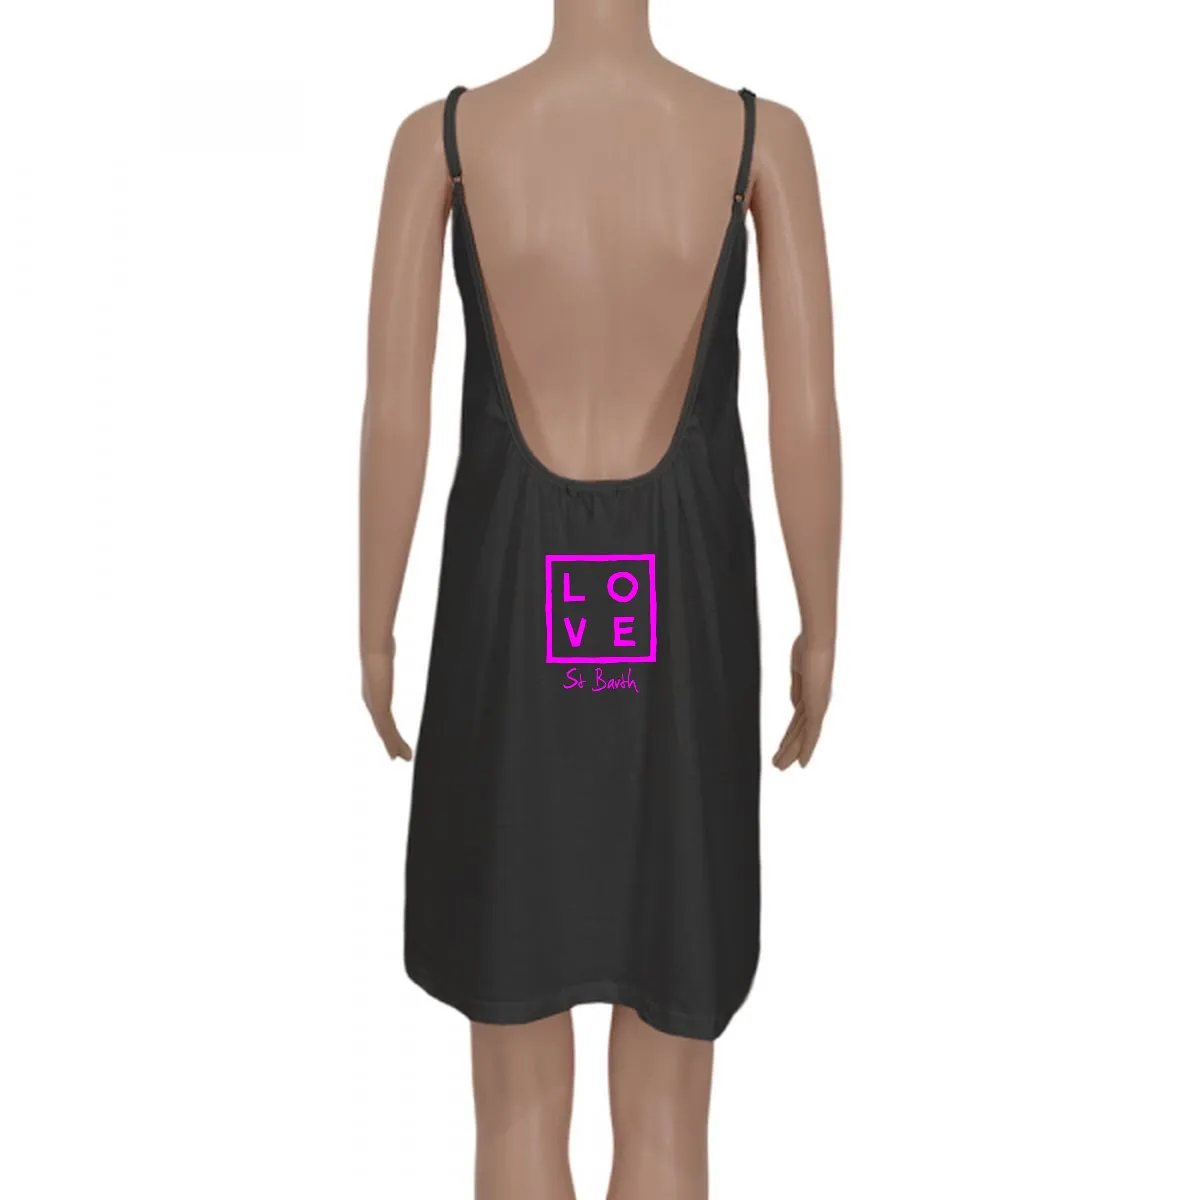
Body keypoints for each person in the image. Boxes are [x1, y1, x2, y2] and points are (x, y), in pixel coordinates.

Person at [358, 3, 841, 1196]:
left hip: (502, 636)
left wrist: (374, 629)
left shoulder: (447, 142)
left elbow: (393, 414)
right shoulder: (756, 141)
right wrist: (820, 627)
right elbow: (809, 416)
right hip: (688, 642)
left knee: (515, 1111)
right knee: (669, 1112)